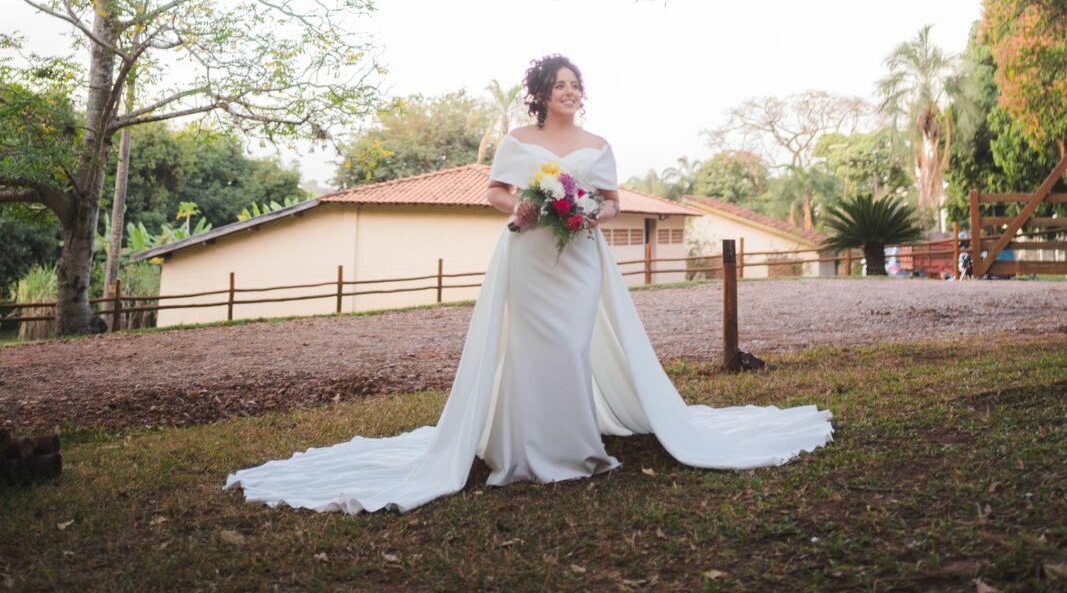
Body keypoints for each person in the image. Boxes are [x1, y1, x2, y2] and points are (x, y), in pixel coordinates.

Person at [225, 55, 832, 514]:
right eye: (559, 85)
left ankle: (575, 449)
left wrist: (590, 212)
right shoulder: (519, 141)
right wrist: (520, 211)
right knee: (530, 348)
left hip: (580, 254)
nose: (570, 92)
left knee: (570, 345)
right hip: (529, 252)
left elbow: (615, 203)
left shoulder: (599, 146)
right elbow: (496, 192)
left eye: (576, 85)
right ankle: (521, 448)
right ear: (541, 94)